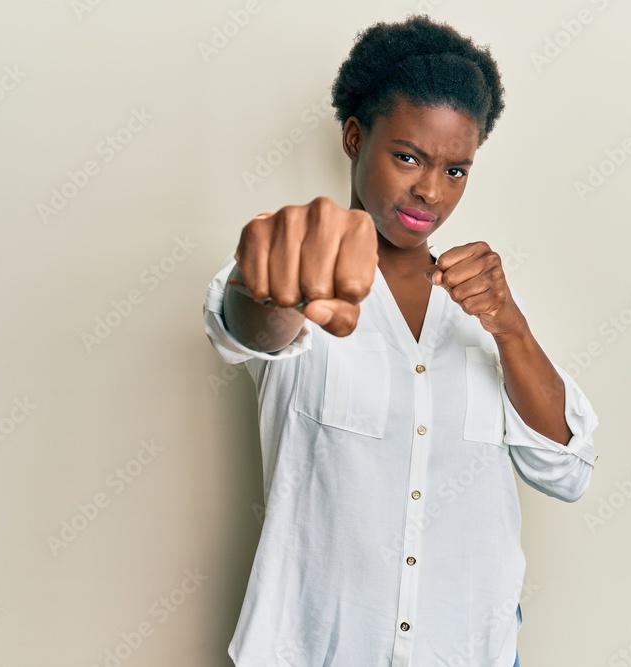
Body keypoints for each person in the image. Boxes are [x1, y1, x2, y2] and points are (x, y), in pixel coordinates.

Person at [202, 14, 599, 667]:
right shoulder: (304, 276)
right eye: (408, 156)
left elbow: (566, 469)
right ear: (355, 138)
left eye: (456, 170)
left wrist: (511, 327)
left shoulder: (483, 309)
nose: (429, 191)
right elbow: (249, 325)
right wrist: (271, 286)